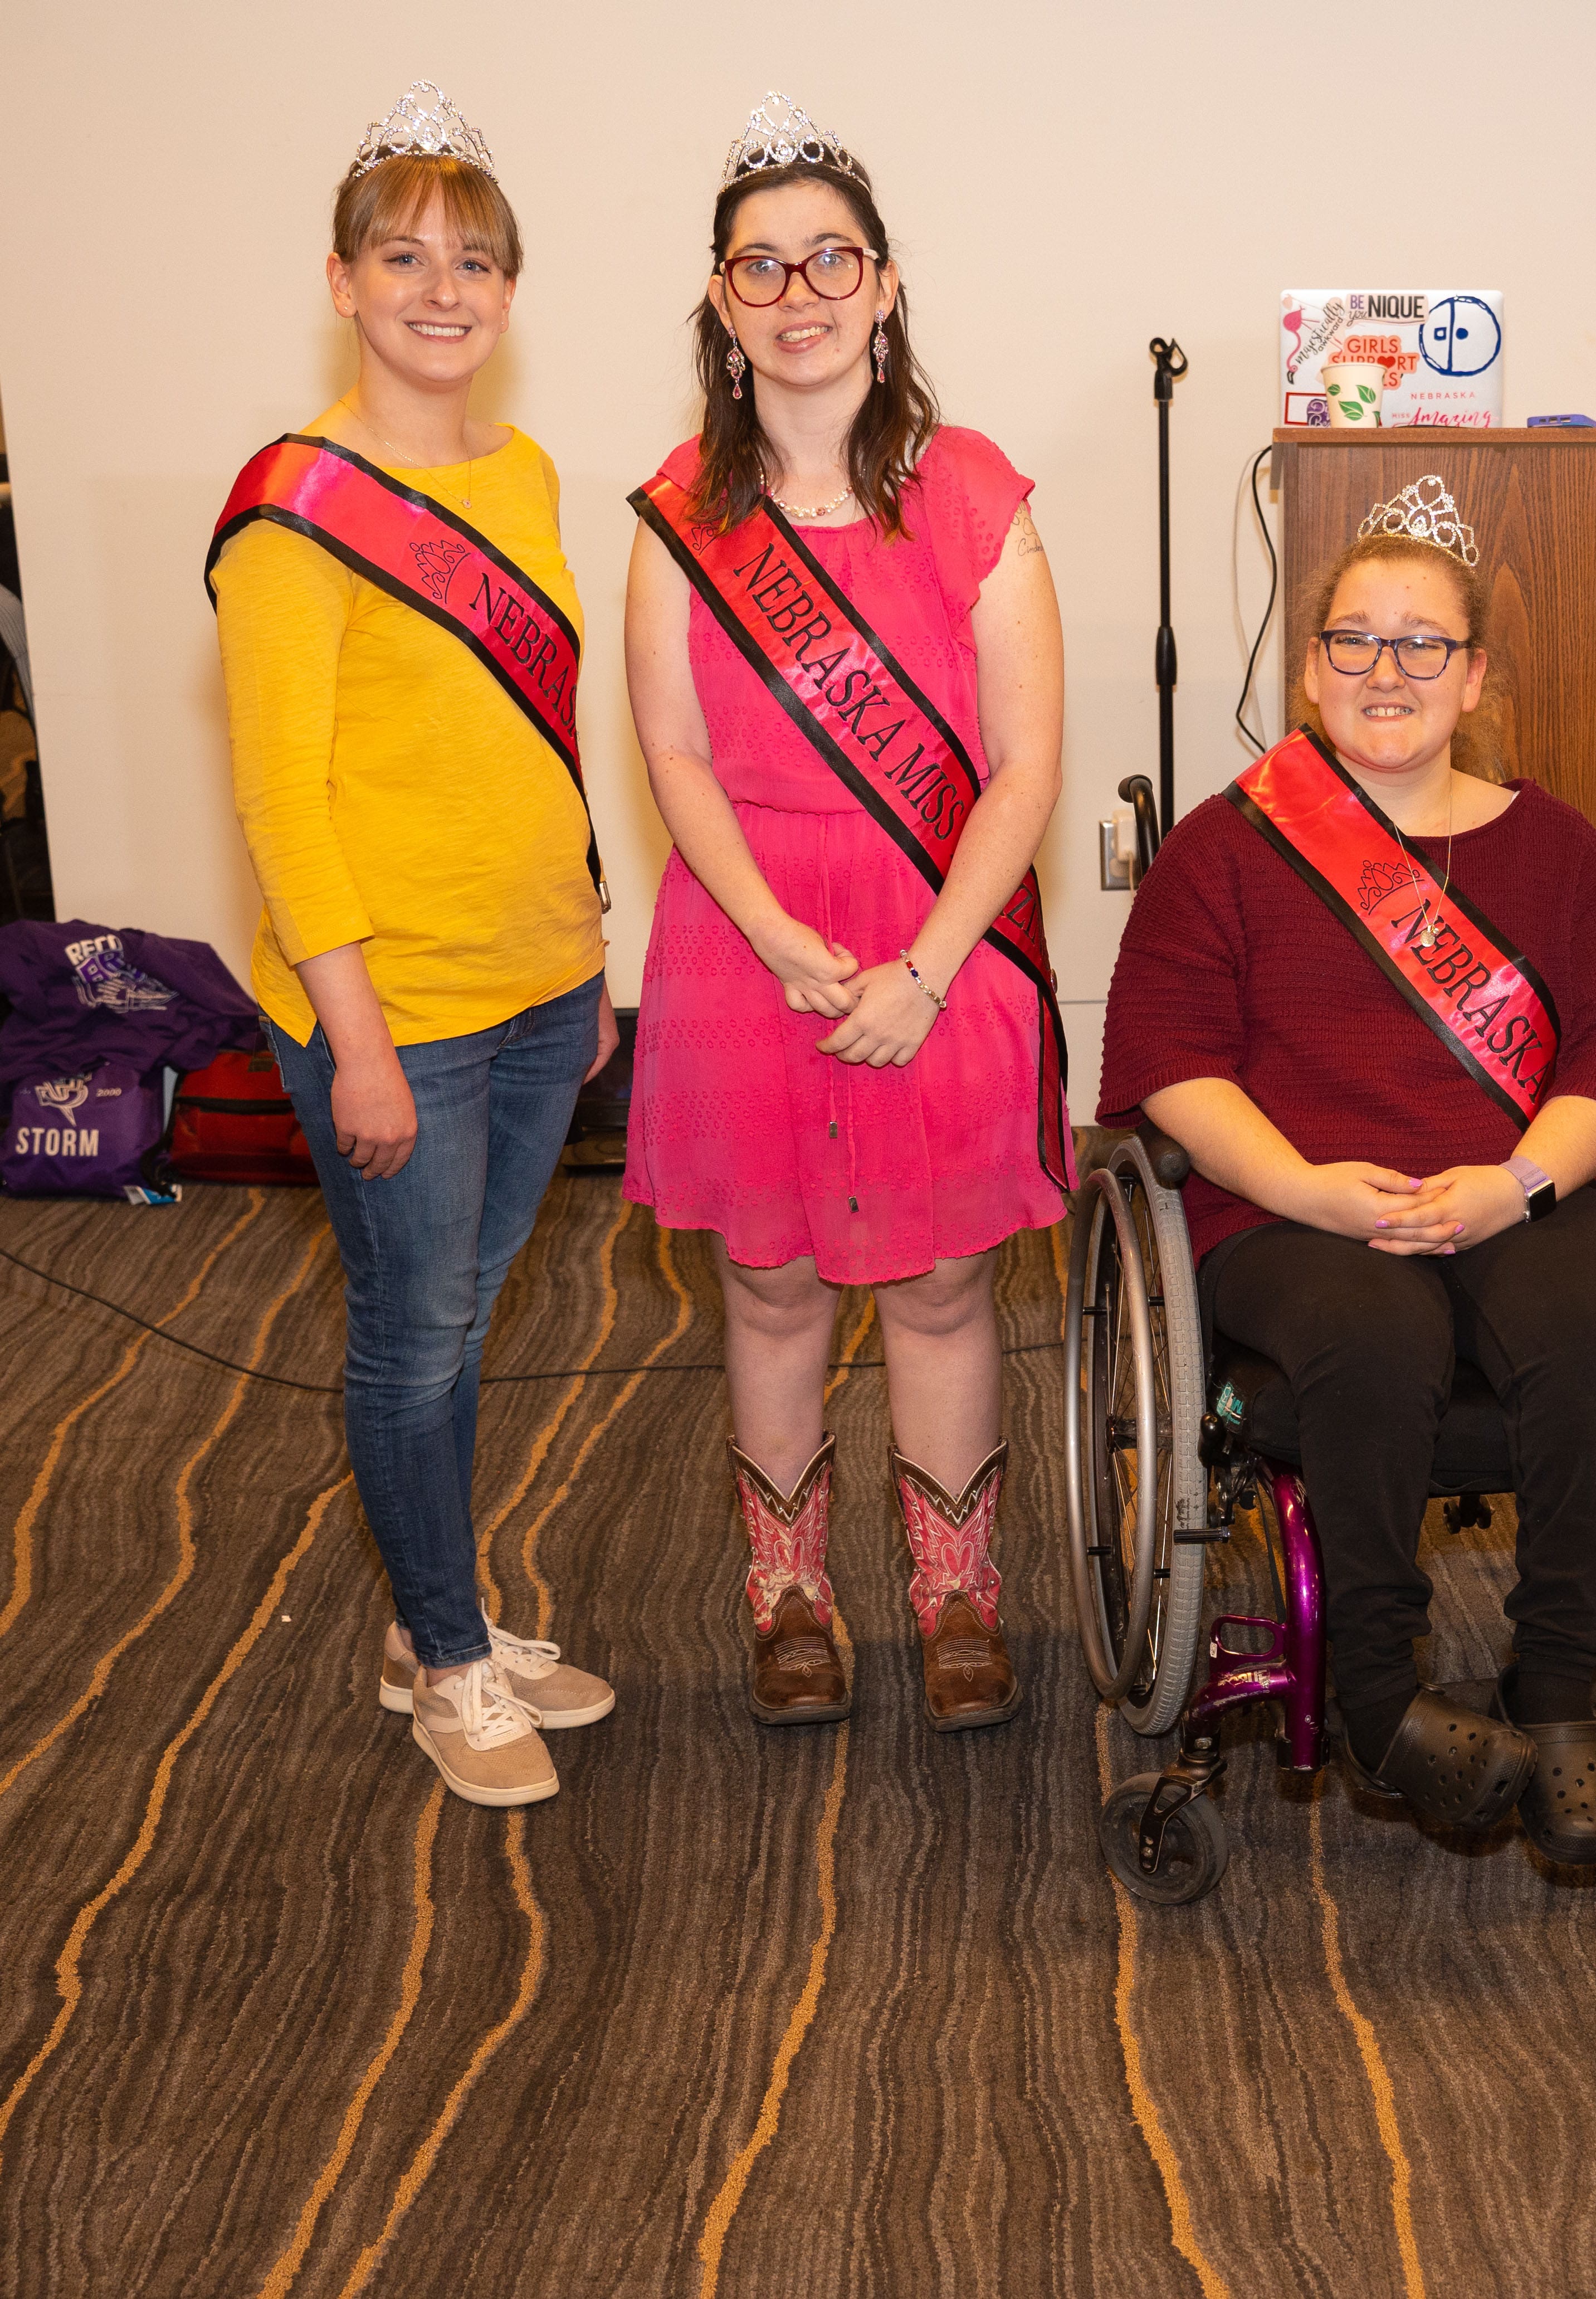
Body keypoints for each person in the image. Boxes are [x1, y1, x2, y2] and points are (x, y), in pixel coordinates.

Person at [1095, 478, 1596, 1867]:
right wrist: (1305, 1187)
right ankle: (1376, 1690)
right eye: (1355, 639)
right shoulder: (1224, 847)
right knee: (1371, 1329)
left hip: (1509, 1184)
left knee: (1590, 1317)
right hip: (1289, 1201)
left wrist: (1517, 1183)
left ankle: (1558, 1679)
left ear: (1473, 676)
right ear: (1310, 667)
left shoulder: (1558, 849)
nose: (1386, 669)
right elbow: (1168, 1057)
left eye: (1423, 643)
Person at [621, 95, 1067, 1733]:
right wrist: (774, 933)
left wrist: (925, 965)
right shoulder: (680, 509)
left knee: (941, 1285)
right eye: (763, 265)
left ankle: (957, 1597)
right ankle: (791, 1597)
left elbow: (1024, 766)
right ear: (723, 301)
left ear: (882, 283)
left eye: (831, 259)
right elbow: (673, 750)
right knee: (770, 1284)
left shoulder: (973, 491)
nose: (798, 291)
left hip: (939, 933)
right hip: (746, 938)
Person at [212, 84, 618, 1809]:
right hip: (396, 1010)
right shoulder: (291, 511)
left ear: (509, 291)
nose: (440, 290)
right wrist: (358, 1038)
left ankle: (429, 1614)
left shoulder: (522, 473)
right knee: (411, 1333)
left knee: (456, 1318)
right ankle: (445, 1654)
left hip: (538, 984)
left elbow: (532, 733)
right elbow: (281, 805)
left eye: (474, 262)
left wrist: (588, 946)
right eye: (402, 257)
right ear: (341, 281)